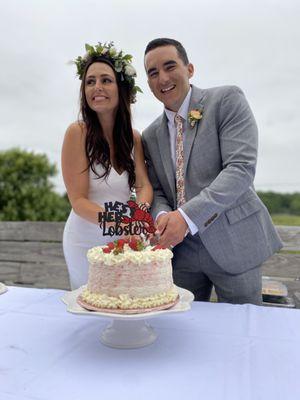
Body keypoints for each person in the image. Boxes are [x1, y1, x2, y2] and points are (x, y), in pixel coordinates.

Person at [142, 38, 282, 305]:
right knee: (185, 330)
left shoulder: (226, 100)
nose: (163, 78)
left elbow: (240, 170)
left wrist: (185, 217)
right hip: (181, 252)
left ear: (190, 69)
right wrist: (163, 217)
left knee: (244, 330)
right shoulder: (150, 135)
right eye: (153, 73)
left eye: (170, 66)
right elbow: (158, 189)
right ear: (148, 83)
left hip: (234, 243)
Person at [62, 42, 153, 289]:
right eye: (90, 82)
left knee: (128, 304)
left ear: (121, 88)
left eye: (105, 80)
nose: (97, 87)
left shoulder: (133, 137)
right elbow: (78, 201)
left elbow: (144, 185)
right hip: (85, 239)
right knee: (93, 306)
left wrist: (138, 216)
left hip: (126, 234)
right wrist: (122, 222)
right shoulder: (77, 133)